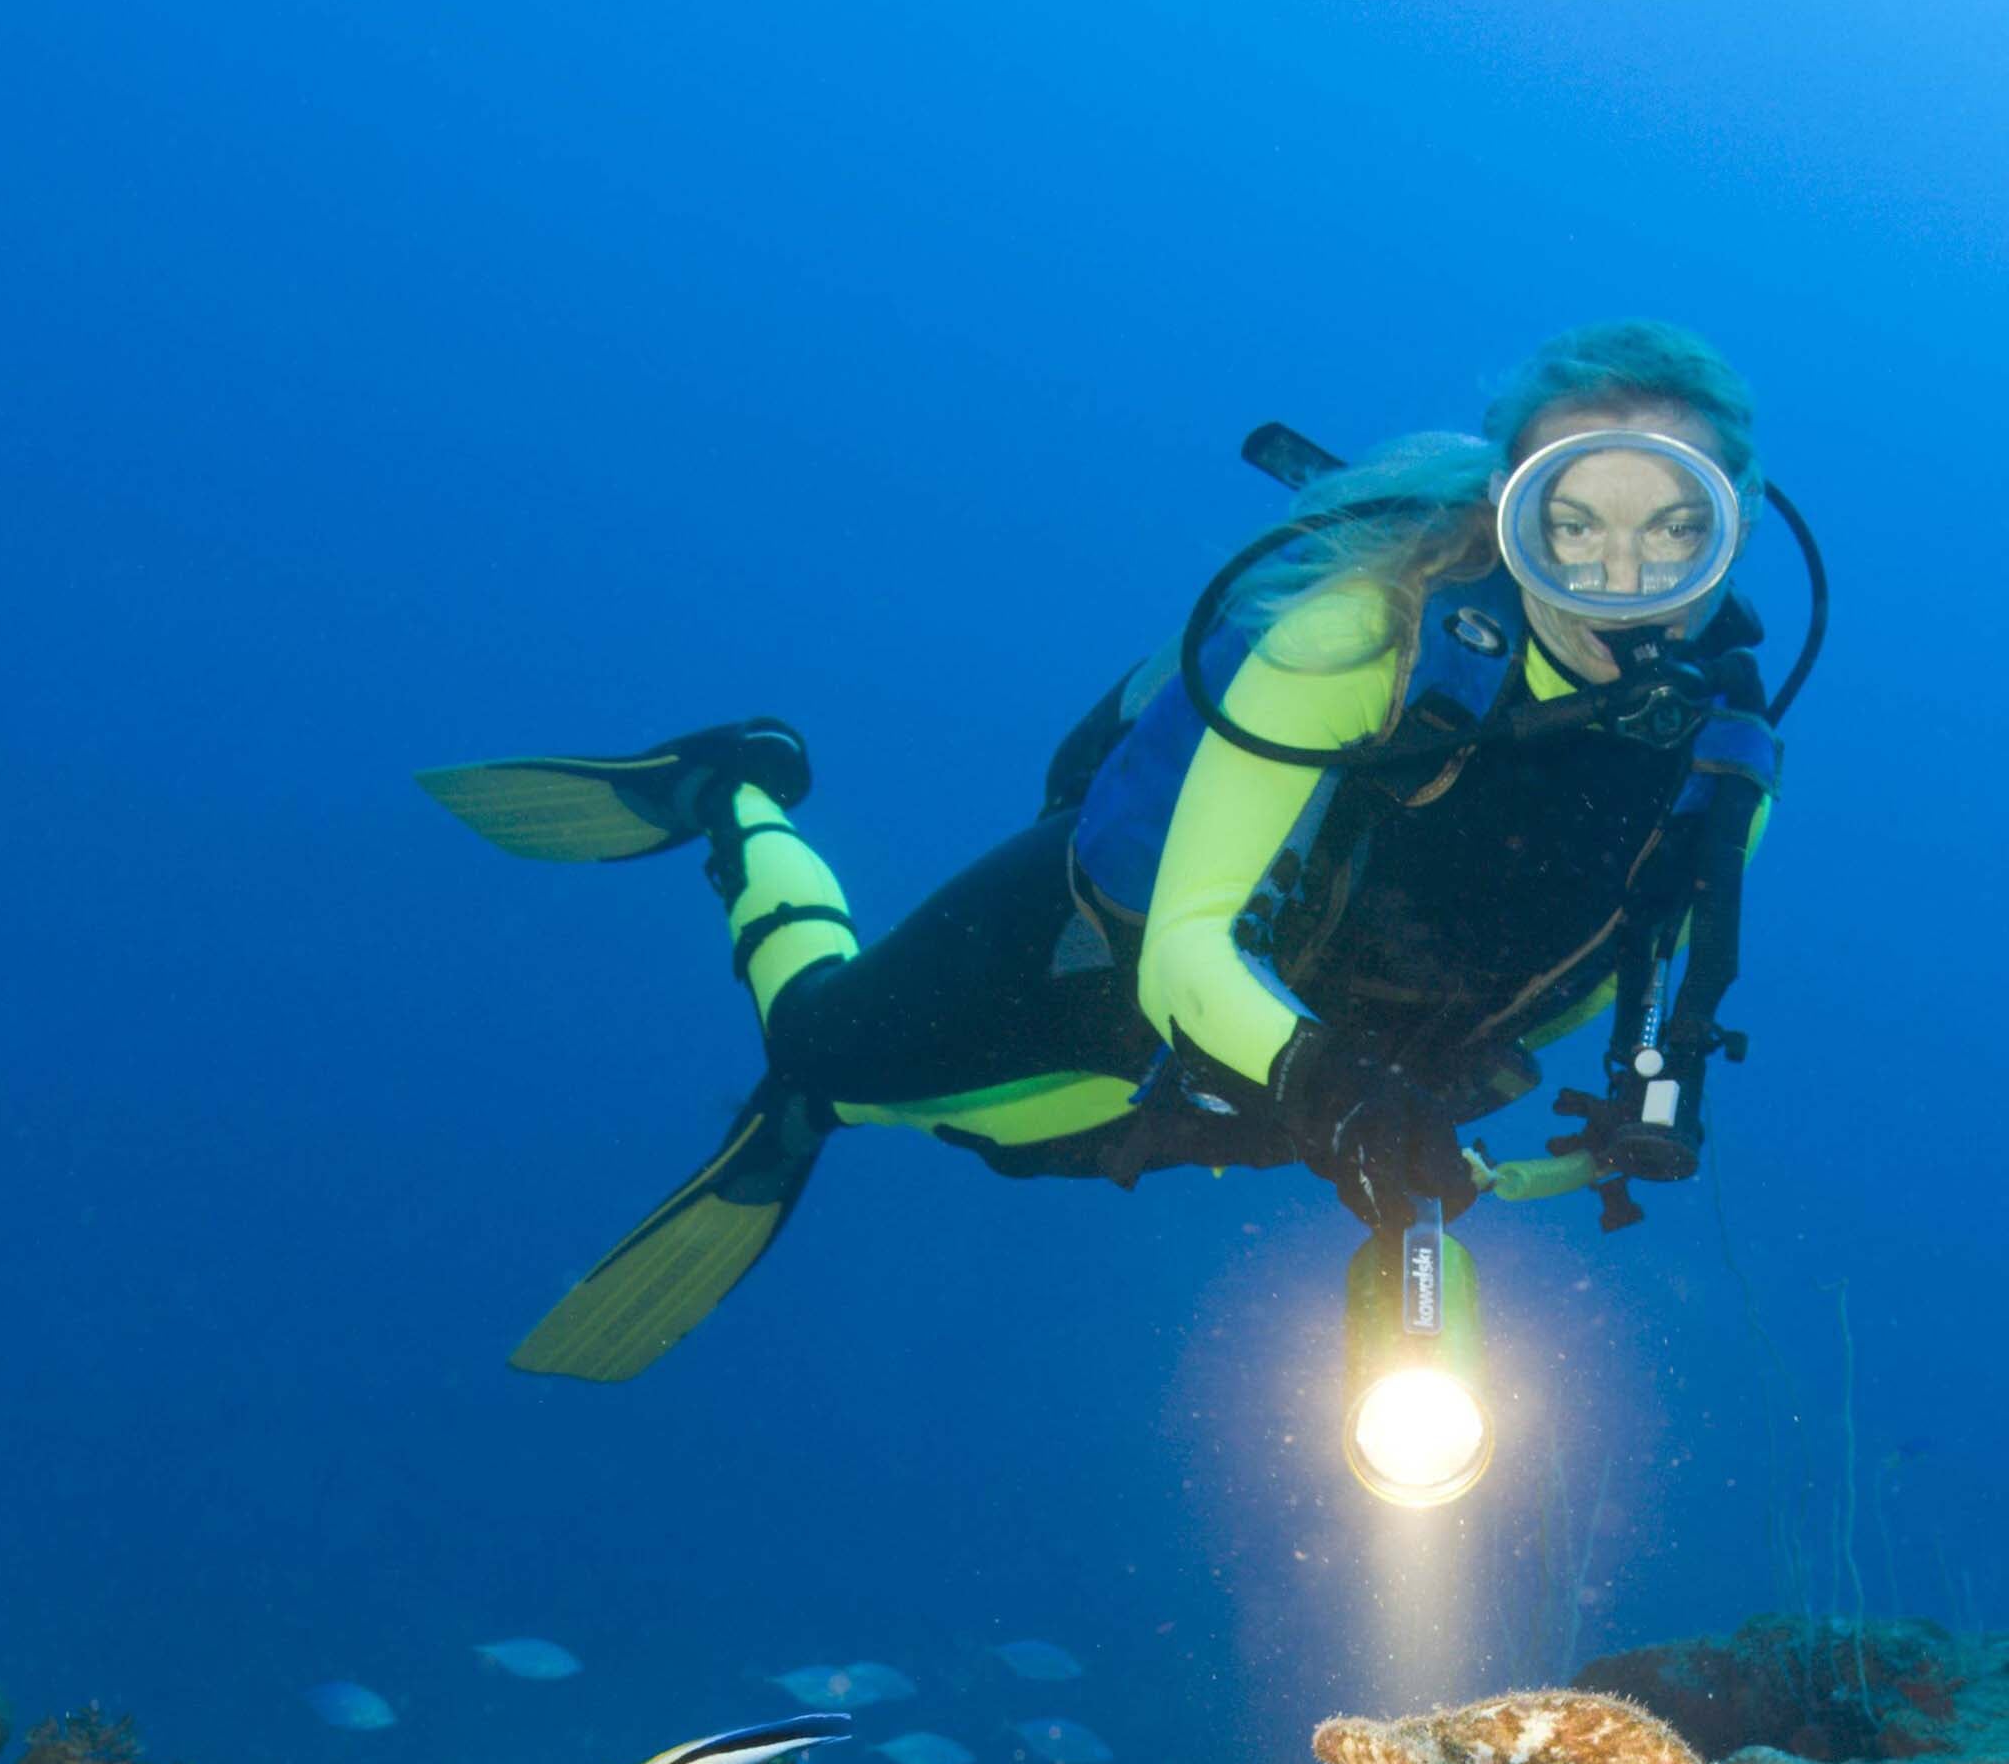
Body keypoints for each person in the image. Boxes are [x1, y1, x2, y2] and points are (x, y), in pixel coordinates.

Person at [424, 319, 1812, 1378]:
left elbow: (1654, 949)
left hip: (1319, 1067)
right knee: (825, 1053)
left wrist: (1648, 1092)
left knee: (1011, 1142)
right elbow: (1185, 946)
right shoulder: (1359, 636)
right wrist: (1340, 1089)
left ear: (1735, 531)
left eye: (1673, 532)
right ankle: (738, 792)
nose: (1618, 585)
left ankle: (861, 1094)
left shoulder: (1726, 754)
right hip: (1109, 955)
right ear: (1508, 511)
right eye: (1570, 526)